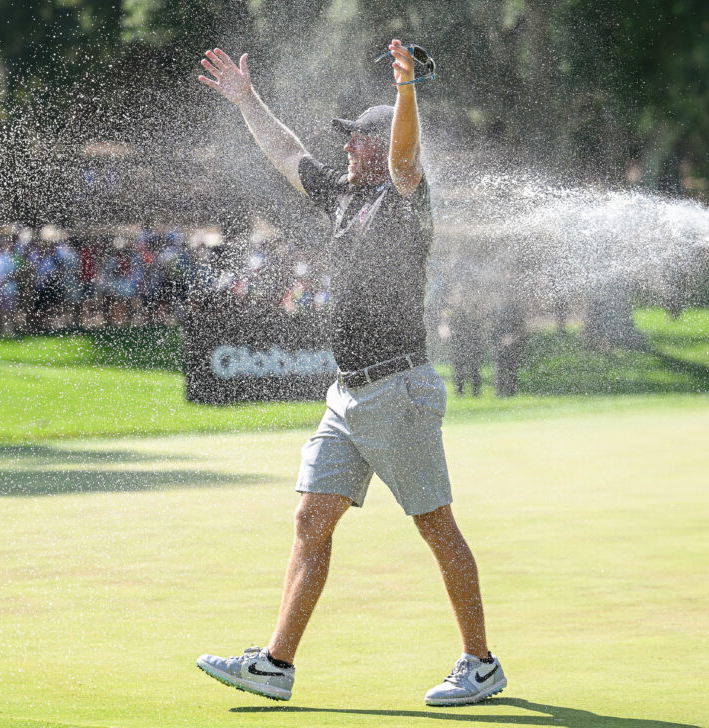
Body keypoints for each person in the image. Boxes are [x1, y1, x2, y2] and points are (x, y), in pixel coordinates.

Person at [193, 41, 505, 706]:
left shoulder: (404, 194)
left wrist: (406, 92)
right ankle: (276, 664)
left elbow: (405, 154)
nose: (343, 150)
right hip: (349, 395)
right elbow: (284, 153)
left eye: (354, 139)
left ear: (377, 142)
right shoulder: (339, 196)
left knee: (435, 525)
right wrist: (248, 99)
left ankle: (480, 662)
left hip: (399, 389)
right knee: (311, 519)